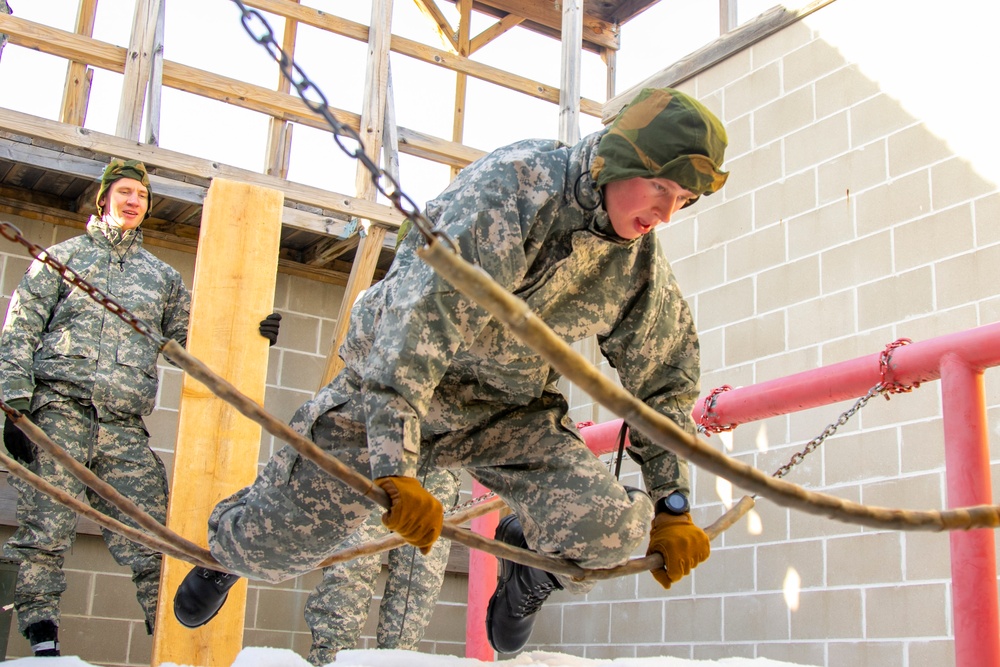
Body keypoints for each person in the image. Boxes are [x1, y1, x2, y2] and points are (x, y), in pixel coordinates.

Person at [172, 87, 728, 654]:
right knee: (277, 551)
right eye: (659, 186)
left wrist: (672, 504)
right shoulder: (513, 189)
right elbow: (417, 328)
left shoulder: (636, 261)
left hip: (509, 414)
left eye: (682, 199)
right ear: (618, 158)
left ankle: (530, 572)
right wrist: (396, 467)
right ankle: (228, 553)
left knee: (611, 533)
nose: (664, 213)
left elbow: (664, 380)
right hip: (396, 394)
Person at [0, 158, 281, 657]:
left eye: (142, 196)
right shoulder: (59, 260)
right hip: (58, 412)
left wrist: (255, 332)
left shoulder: (162, 280)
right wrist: (14, 407)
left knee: (154, 537)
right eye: (125, 191)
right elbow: (19, 332)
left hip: (124, 426)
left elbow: (199, 341)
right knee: (45, 531)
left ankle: (170, 641)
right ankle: (44, 641)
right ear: (104, 198)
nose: (134, 201)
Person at [304, 466, 460, 665]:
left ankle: (398, 661)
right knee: (352, 567)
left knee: (419, 580)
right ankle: (330, 660)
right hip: (376, 457)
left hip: (437, 464)